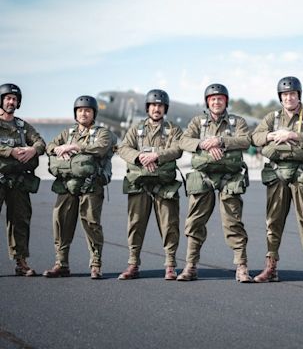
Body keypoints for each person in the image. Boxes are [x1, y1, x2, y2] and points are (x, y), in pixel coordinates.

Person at [251, 76, 303, 285]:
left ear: (298, 95)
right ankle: (271, 267)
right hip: (277, 175)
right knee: (273, 221)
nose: (289, 97)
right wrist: (273, 137)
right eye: (285, 94)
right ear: (280, 97)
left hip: (302, 174)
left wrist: (291, 135)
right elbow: (256, 138)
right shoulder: (272, 118)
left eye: (292, 94)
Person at [177, 83, 252, 282]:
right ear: (207, 102)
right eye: (212, 99)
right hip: (203, 176)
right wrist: (203, 144)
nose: (216, 102)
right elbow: (184, 141)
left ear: (226, 101)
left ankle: (241, 267)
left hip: (230, 177)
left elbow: (246, 140)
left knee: (233, 222)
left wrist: (221, 141)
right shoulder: (197, 121)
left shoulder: (238, 122)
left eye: (220, 98)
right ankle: (190, 266)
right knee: (195, 222)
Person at [44, 96, 115, 279]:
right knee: (60, 222)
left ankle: (95, 264)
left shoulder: (102, 133)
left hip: (91, 186)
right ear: (75, 113)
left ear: (94, 114)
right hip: (66, 185)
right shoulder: (67, 133)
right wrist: (58, 149)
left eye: (87, 110)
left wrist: (74, 147)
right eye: (80, 110)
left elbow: (101, 148)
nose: (83, 113)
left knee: (91, 224)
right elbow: (50, 145)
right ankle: (61, 263)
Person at [118, 89, 183, 280]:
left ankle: (170, 265)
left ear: (165, 108)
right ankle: (133, 264)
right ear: (147, 107)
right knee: (135, 224)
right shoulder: (137, 129)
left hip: (165, 185)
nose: (156, 108)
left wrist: (156, 156)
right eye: (153, 105)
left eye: (160, 105)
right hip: (140, 185)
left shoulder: (173, 129)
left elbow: (178, 148)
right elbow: (123, 148)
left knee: (170, 225)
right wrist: (140, 157)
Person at [0, 83, 45, 276]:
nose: (11, 102)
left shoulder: (21, 126)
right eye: (8, 98)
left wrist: (32, 149)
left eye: (14, 99)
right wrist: (11, 152)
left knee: (20, 221)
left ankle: (21, 261)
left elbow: (40, 142)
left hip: (18, 182)